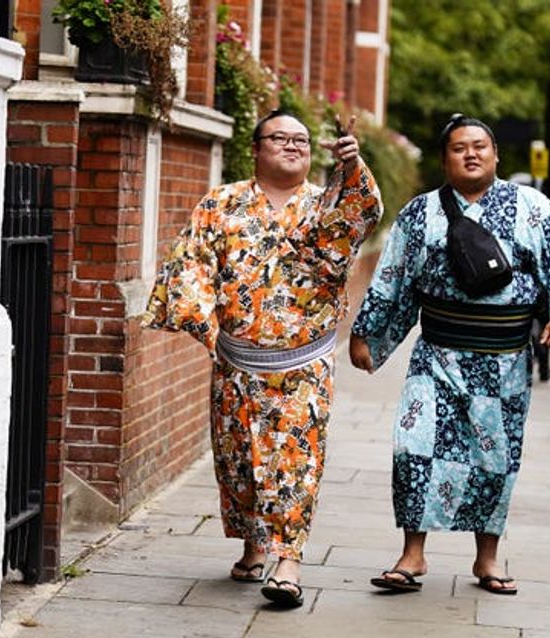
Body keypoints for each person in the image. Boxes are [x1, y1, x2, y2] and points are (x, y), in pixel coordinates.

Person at [143, 109, 382, 608]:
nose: (293, 145)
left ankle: (287, 561)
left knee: (296, 460)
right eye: (280, 137)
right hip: (236, 359)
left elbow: (363, 212)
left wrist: (352, 168)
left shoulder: (325, 205)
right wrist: (207, 330)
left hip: (302, 364)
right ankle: (255, 545)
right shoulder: (222, 205)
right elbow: (190, 269)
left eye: (301, 140)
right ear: (256, 147)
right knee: (240, 461)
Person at [348, 114, 550, 595]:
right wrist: (367, 333)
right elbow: (392, 277)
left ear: (497, 155)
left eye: (480, 146)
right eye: (459, 148)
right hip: (435, 354)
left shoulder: (533, 208)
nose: (470, 154)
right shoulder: (419, 213)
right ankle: (413, 555)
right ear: (444, 159)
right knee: (413, 448)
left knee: (494, 459)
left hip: (503, 361)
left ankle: (487, 558)